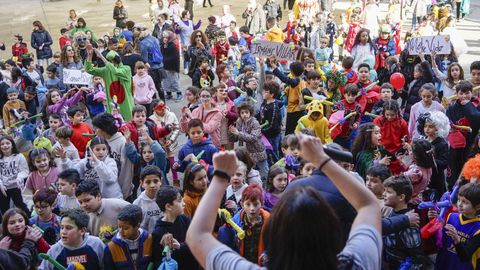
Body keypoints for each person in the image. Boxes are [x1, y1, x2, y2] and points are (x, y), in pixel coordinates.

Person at [186, 132, 382, 269]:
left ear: (274, 234)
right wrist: (322, 160)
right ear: (333, 231)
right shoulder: (358, 262)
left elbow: (197, 235)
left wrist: (220, 176)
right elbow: (369, 205)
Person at [37, 209, 105, 270]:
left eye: (68, 228)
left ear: (82, 231)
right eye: (62, 227)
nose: (63, 232)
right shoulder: (55, 250)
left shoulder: (96, 244)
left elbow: (107, 266)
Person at [383, 175, 427, 269]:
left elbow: (417, 259)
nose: (384, 194)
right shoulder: (392, 212)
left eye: (388, 192)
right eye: (384, 191)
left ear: (401, 197)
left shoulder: (410, 224)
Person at [152, 185, 199, 269]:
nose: (184, 203)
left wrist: (180, 246)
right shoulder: (158, 232)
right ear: (168, 206)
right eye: (180, 201)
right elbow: (158, 260)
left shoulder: (185, 219)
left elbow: (196, 242)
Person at [435, 182, 480, 269]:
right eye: (459, 200)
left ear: (478, 207)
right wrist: (434, 224)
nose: (459, 204)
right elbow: (439, 243)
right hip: (443, 264)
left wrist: (457, 240)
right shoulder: (451, 216)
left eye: (465, 202)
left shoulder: (477, 229)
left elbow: (465, 257)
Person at [92, 113, 134, 199]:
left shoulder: (122, 142)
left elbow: (126, 171)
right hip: (103, 192)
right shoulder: (99, 141)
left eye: (96, 128)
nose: (94, 130)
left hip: (120, 194)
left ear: (105, 129)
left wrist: (124, 193)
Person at [103, 204, 153, 270]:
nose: (121, 231)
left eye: (126, 228)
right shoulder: (111, 247)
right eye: (119, 227)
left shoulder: (149, 239)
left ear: (137, 226)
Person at [229, 102, 269, 180]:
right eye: (242, 113)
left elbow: (254, 138)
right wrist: (232, 133)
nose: (244, 115)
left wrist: (238, 133)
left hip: (257, 151)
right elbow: (237, 137)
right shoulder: (239, 122)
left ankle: (269, 185)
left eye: (246, 112)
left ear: (250, 112)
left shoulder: (255, 122)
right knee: (249, 171)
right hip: (246, 152)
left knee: (264, 170)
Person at [0, 136, 30, 216]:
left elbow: (25, 170)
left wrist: (19, 178)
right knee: (3, 208)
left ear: (12, 145)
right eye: (2, 144)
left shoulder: (19, 156)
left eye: (7, 143)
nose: (5, 146)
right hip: (3, 188)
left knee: (21, 206)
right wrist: (0, 184)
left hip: (17, 186)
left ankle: (29, 223)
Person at [137, 25, 165, 101]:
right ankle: (163, 103)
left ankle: (154, 104)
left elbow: (144, 59)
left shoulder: (143, 43)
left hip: (151, 68)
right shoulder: (155, 39)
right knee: (159, 86)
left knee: (151, 87)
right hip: (160, 65)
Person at [161, 30, 182, 101]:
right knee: (166, 81)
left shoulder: (173, 46)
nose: (165, 39)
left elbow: (175, 58)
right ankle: (169, 94)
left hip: (172, 67)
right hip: (165, 67)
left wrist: (165, 60)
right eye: (164, 37)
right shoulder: (163, 45)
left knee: (174, 81)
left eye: (166, 38)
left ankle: (179, 94)